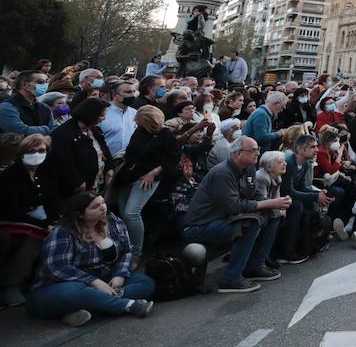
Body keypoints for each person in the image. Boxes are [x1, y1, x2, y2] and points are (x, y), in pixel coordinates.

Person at [180, 137, 291, 294]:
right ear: (238, 153)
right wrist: (269, 203)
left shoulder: (249, 168)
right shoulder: (222, 173)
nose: (258, 153)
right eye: (253, 150)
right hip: (201, 225)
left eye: (258, 150)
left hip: (223, 220)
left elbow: (255, 194)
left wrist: (272, 204)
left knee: (273, 215)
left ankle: (255, 266)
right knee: (249, 224)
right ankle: (231, 280)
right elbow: (233, 206)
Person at [27, 192, 155, 326]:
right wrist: (94, 282)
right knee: (73, 293)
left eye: (103, 203)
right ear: (80, 214)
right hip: (61, 285)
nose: (102, 207)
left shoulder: (114, 221)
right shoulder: (63, 231)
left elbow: (126, 252)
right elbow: (57, 267)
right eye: (95, 207)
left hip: (105, 278)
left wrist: (120, 275)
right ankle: (129, 305)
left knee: (146, 282)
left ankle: (90, 308)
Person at [114, 106, 181, 261]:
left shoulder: (165, 134)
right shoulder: (140, 131)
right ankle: (126, 246)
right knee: (123, 213)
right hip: (129, 175)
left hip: (148, 177)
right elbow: (131, 152)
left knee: (131, 213)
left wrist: (154, 172)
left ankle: (136, 252)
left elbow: (173, 157)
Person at [0, 134, 55, 306]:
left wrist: (52, 219)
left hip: (39, 216)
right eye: (32, 151)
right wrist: (44, 224)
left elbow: (53, 199)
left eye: (41, 150)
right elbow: (11, 210)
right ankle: (12, 284)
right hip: (11, 218)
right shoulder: (9, 175)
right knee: (36, 237)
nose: (37, 154)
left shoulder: (46, 171)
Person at [43, 98, 114, 218]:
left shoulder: (94, 130)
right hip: (74, 193)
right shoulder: (63, 134)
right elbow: (63, 162)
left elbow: (104, 150)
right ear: (90, 114)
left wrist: (109, 168)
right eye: (101, 115)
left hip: (95, 186)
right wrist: (79, 183)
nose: (104, 119)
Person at [99, 81, 139, 158]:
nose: (132, 95)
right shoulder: (102, 113)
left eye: (134, 92)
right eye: (128, 92)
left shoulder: (135, 113)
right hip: (106, 160)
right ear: (115, 95)